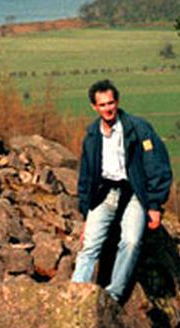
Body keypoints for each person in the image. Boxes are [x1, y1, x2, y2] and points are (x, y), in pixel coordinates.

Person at [71, 79, 172, 302]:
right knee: (89, 245)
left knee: (132, 241)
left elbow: (157, 165)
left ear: (117, 102)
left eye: (111, 103)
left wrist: (155, 205)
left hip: (134, 193)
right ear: (94, 107)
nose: (108, 108)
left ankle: (112, 296)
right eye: (102, 105)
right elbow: (86, 176)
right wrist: (86, 213)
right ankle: (75, 295)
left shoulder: (138, 128)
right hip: (104, 193)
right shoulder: (91, 136)